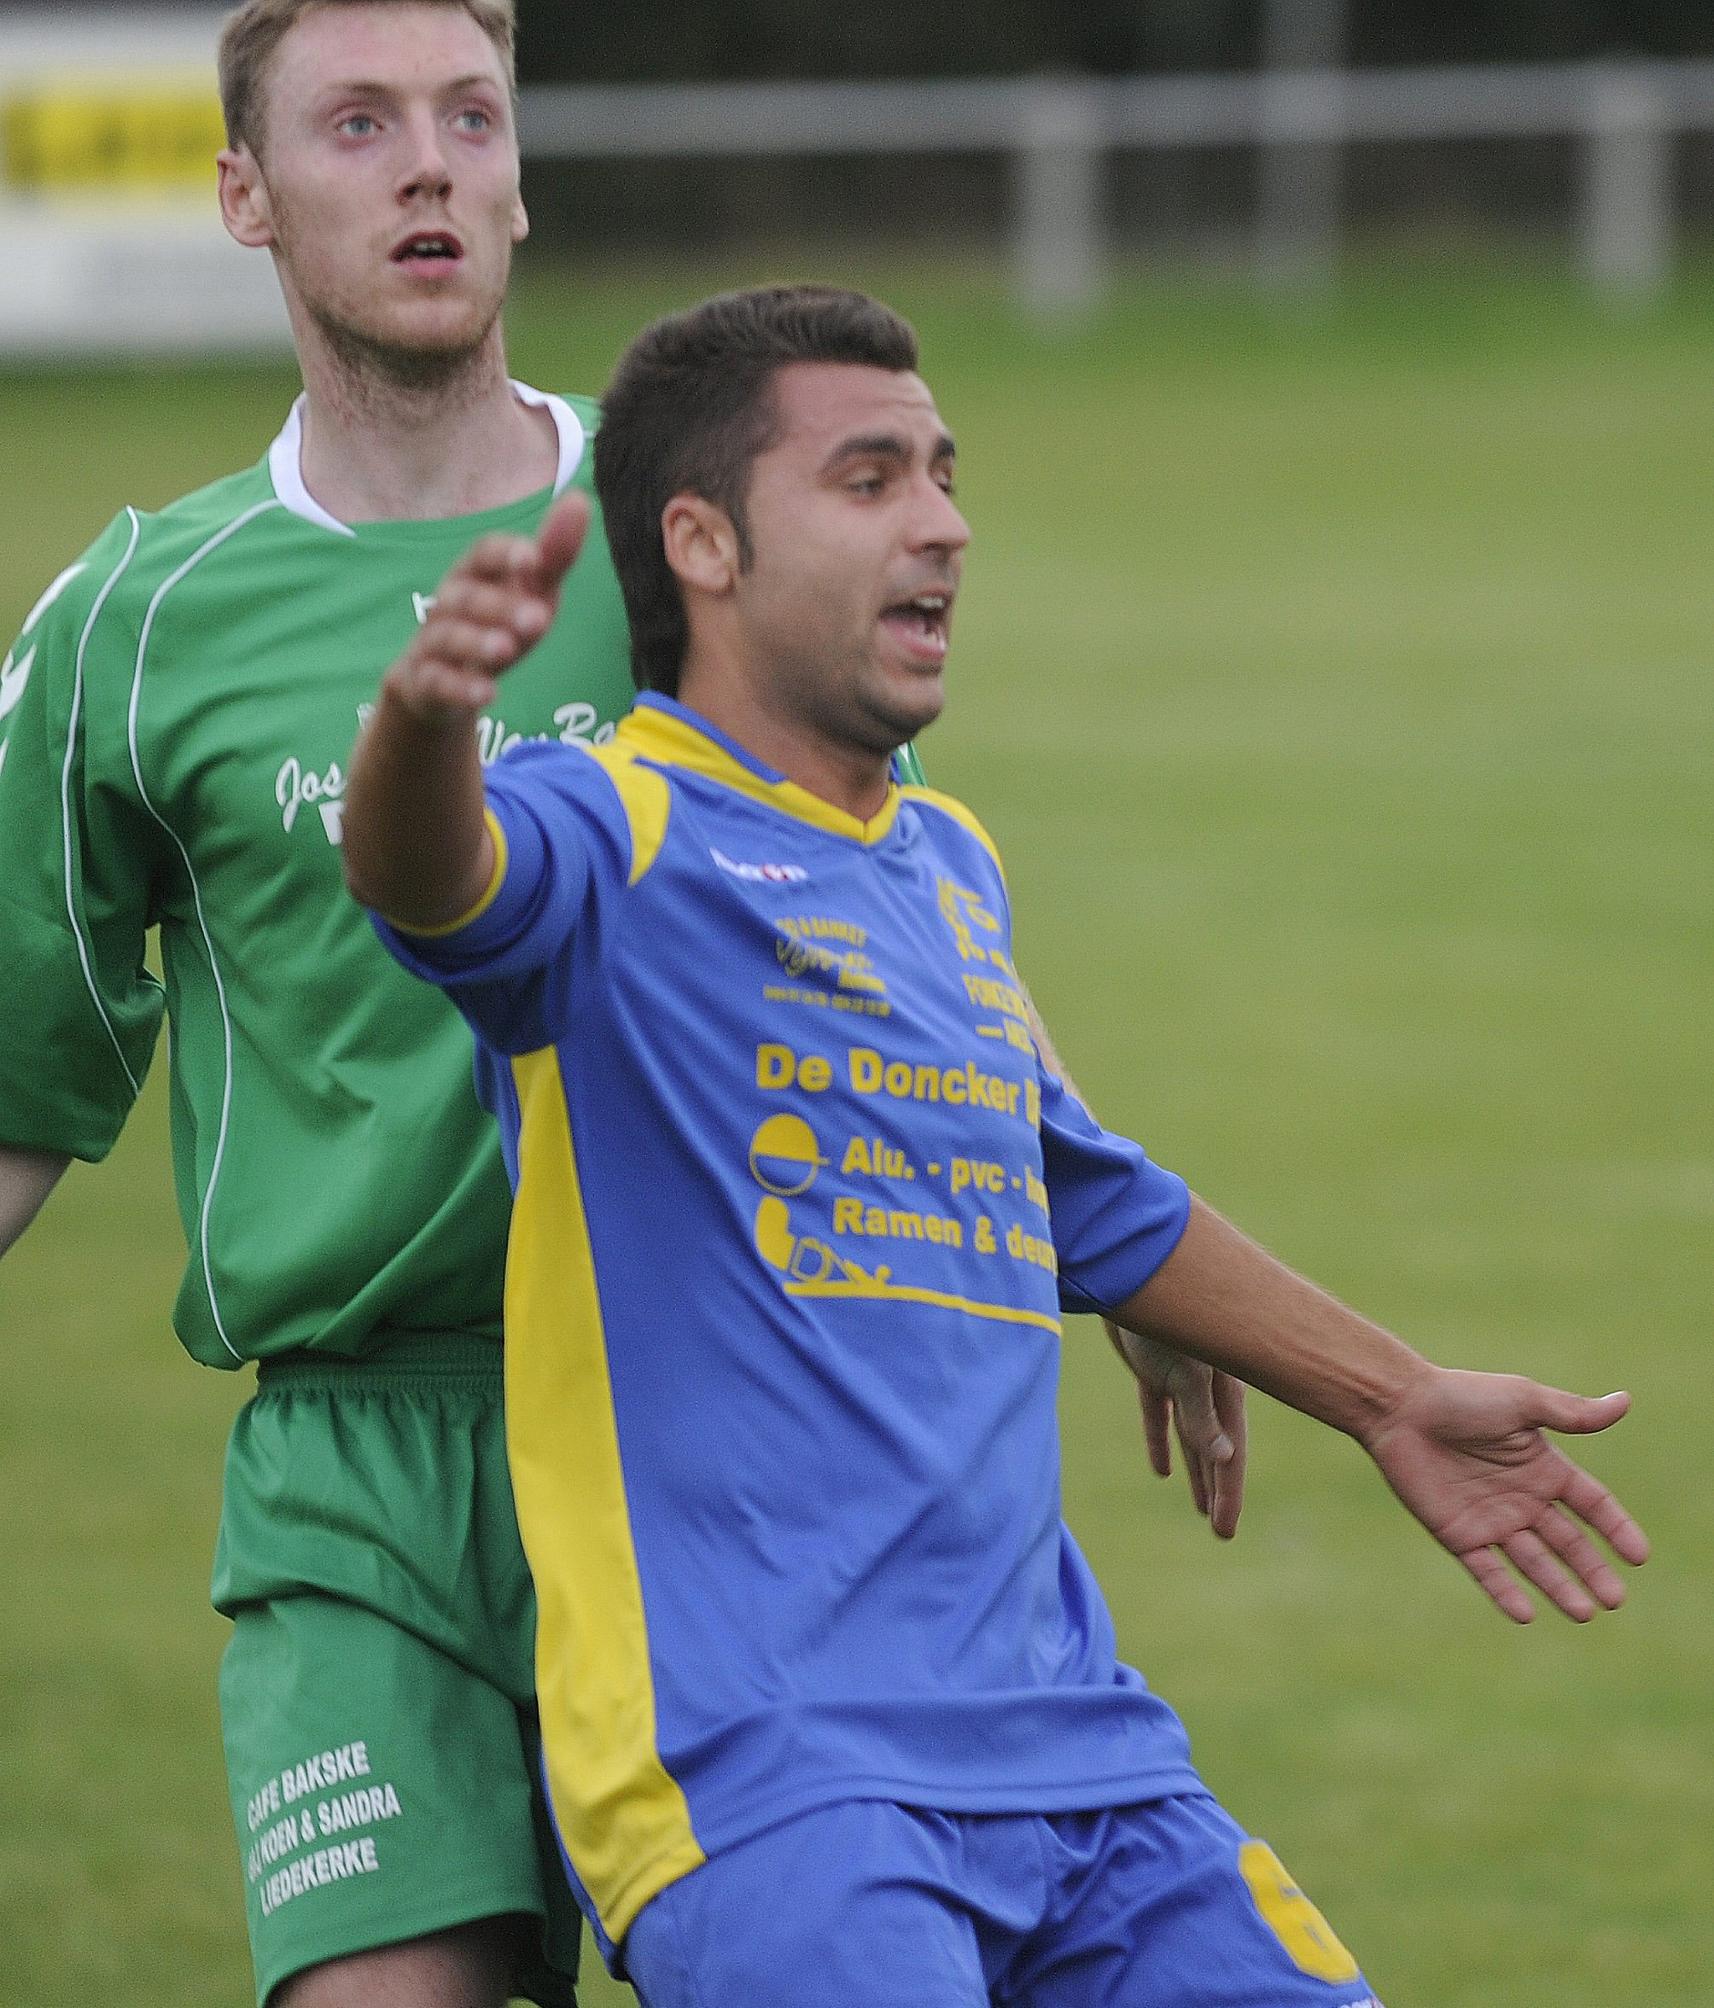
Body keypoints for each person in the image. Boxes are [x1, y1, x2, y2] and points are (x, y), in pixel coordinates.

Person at [0, 7, 1236, 2004]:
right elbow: (16, 1081)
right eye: (358, 123)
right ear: (245, 193)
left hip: (734, 1458)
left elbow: (884, 909)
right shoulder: (138, 623)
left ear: (515, 173)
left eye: (468, 116)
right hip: (370, 1480)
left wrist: (1106, 1243)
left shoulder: (684, 525)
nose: (426, 163)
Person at [342, 283, 1649, 2008]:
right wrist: (425, 718)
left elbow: (1076, 1189)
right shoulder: (621, 822)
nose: (946, 524)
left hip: (1083, 1760)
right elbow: (431, 885)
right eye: (871, 478)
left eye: (946, 474)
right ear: (703, 544)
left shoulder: (946, 863)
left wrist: (1390, 1396)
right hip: (775, 1775)